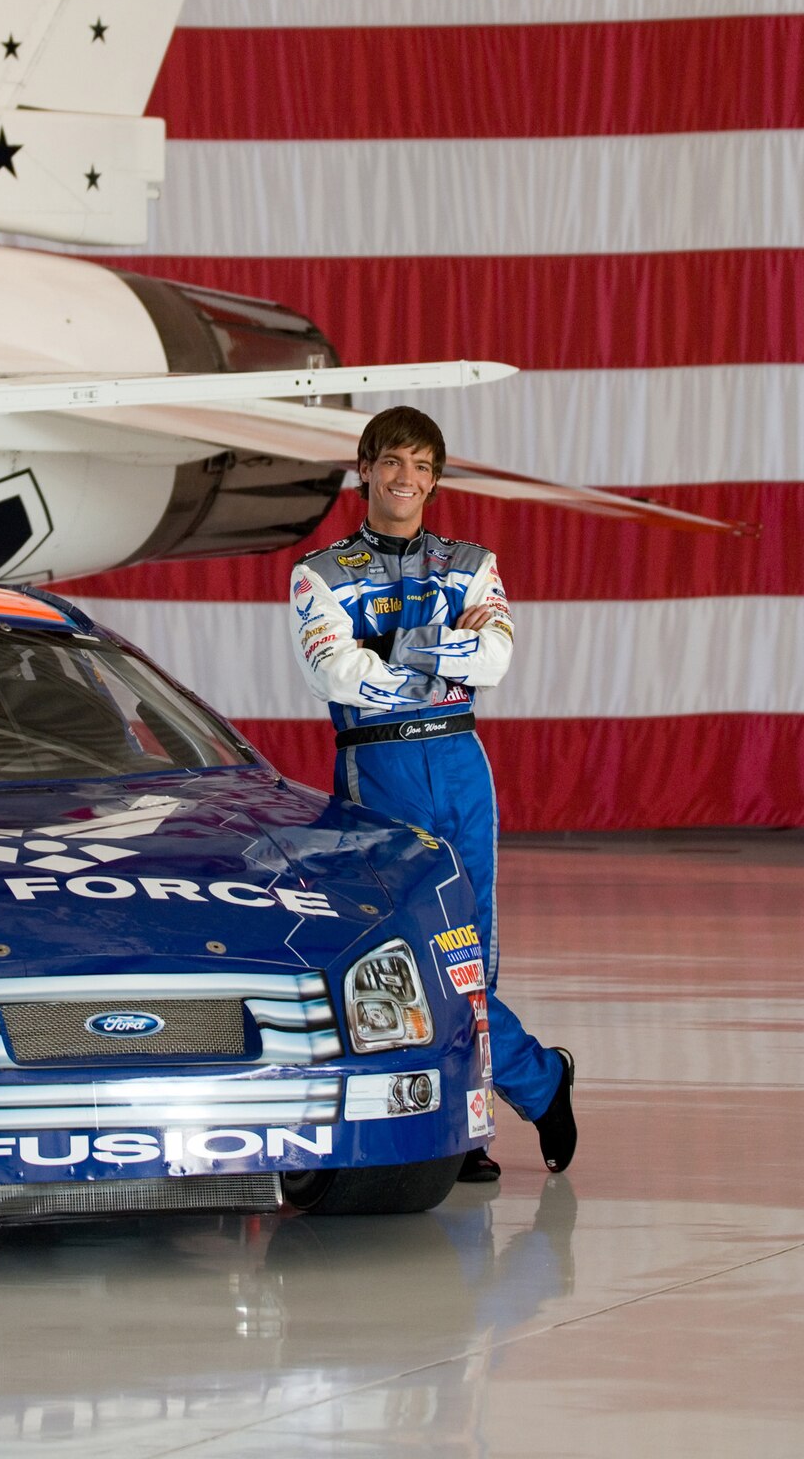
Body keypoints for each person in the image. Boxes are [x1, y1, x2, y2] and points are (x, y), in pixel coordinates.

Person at [289, 405, 576, 1180]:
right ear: (364, 472)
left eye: (419, 466)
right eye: (390, 463)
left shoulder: (472, 561)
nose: (404, 478)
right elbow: (336, 675)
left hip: (458, 762)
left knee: (471, 952)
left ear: (436, 480)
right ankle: (540, 1081)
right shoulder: (317, 573)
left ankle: (471, 1129)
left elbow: (492, 663)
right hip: (374, 768)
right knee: (414, 951)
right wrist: (439, 651)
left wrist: (394, 650)